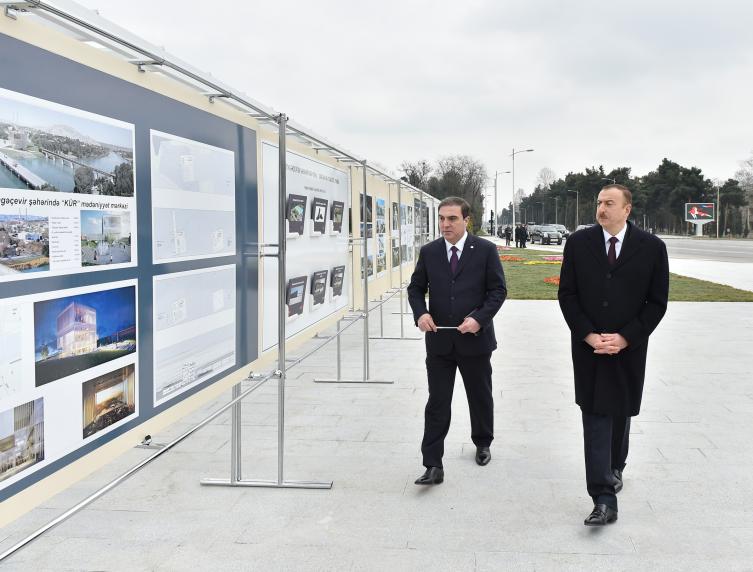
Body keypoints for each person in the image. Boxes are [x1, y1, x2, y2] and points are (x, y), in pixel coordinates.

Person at [558, 184, 669, 526]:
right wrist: (589, 335)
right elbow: (568, 295)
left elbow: (657, 303)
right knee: (595, 416)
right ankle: (603, 498)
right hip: (589, 348)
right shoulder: (578, 244)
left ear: (627, 209)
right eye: (599, 203)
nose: (601, 209)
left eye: (609, 203)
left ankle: (616, 465)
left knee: (620, 414)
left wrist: (625, 338)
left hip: (628, 351)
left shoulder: (652, 248)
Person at [408, 196, 507, 485]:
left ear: (466, 220)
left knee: (479, 396)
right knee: (437, 402)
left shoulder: (486, 250)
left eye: (452, 218)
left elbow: (498, 291)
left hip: (475, 340)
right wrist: (421, 313)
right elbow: (415, 289)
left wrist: (479, 318)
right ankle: (432, 464)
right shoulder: (430, 252)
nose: (445, 224)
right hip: (439, 342)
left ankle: (483, 441)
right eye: (441, 218)